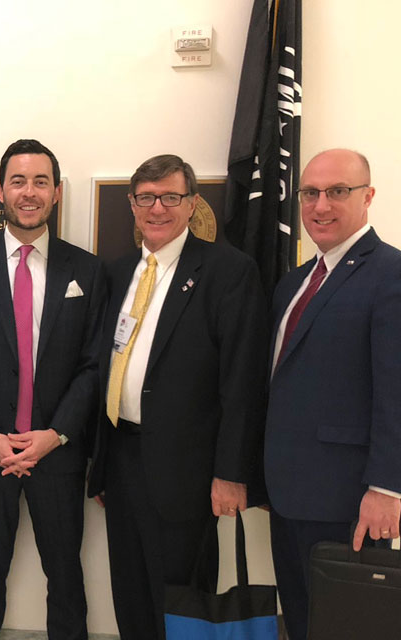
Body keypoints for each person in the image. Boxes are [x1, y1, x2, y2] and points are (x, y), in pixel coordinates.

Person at [87, 154, 268, 639]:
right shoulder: (119, 271)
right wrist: (103, 463)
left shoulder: (229, 271)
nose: (158, 208)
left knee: (183, 598)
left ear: (192, 205)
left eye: (171, 197)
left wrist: (230, 474)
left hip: (189, 471)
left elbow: (242, 383)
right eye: (147, 198)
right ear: (132, 205)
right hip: (123, 458)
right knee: (129, 587)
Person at [0, 139, 106, 640]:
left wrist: (54, 434)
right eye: (18, 181)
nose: (29, 192)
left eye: (40, 182)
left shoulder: (87, 270)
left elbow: (92, 365)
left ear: (56, 192)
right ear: (0, 191)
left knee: (66, 575)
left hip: (57, 454)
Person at [264, 148, 401, 640]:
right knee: (301, 620)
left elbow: (396, 391)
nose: (320, 206)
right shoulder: (295, 283)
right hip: (288, 493)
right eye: (310, 193)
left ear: (368, 197)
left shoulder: (391, 274)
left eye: (337, 192)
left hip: (350, 499)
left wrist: (387, 489)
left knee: (350, 627)